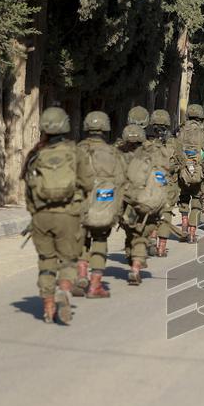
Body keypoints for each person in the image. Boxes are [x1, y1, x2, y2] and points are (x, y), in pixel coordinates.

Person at [22, 107, 94, 325]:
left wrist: (36, 214)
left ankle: (48, 306)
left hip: (42, 216)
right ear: (65, 126)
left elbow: (28, 192)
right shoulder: (75, 152)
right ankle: (64, 291)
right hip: (68, 216)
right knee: (68, 260)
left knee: (46, 261)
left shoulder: (36, 155)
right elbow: (88, 183)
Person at [76, 111, 125, 299]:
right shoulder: (113, 153)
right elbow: (121, 183)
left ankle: (81, 274)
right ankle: (95, 286)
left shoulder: (77, 150)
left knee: (81, 240)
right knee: (99, 241)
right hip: (103, 208)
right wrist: (117, 210)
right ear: (106, 128)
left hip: (79, 206)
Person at [119, 124, 168, 285]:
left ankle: (132, 258)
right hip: (146, 201)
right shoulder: (153, 153)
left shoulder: (120, 154)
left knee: (130, 233)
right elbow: (162, 175)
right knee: (141, 235)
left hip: (126, 203)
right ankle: (136, 267)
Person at [146, 108, 187, 253]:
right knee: (167, 212)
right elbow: (182, 162)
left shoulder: (145, 142)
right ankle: (162, 247)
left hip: (149, 184)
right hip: (169, 183)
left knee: (151, 211)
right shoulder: (174, 142)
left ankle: (151, 236)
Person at [177, 105, 204, 243]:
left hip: (183, 172)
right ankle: (191, 233)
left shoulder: (181, 130)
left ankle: (183, 227)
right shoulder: (203, 132)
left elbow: (176, 150)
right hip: (198, 172)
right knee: (196, 202)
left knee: (184, 198)